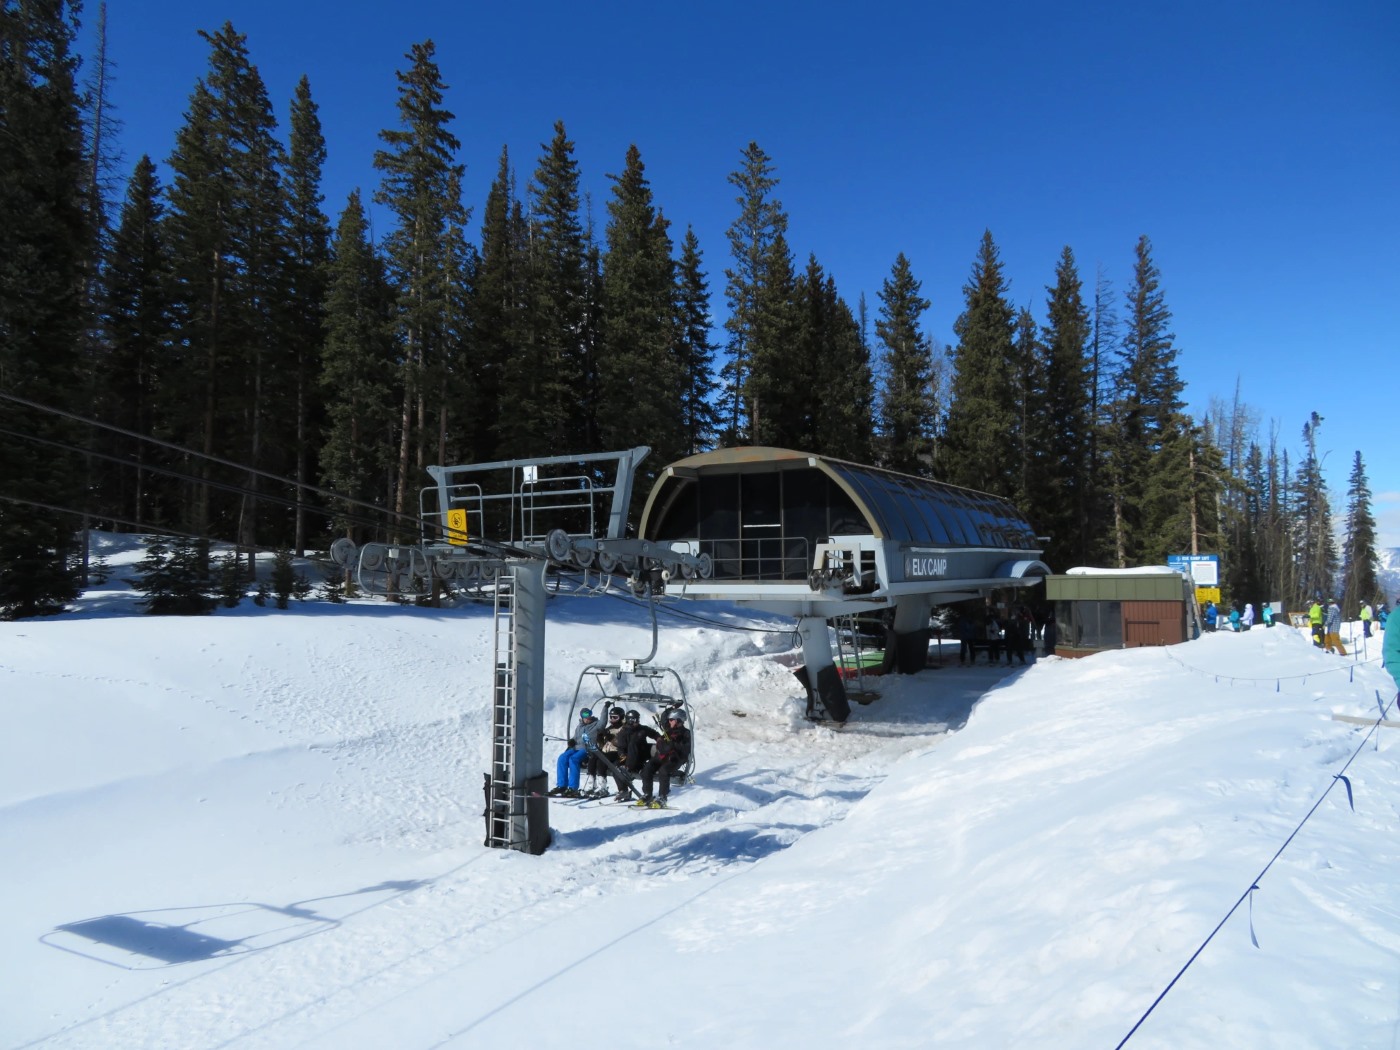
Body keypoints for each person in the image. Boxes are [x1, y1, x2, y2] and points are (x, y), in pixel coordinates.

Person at [634, 709, 692, 809]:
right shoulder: (668, 729)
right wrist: (672, 707)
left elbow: (686, 749)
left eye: (672, 720)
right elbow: (664, 717)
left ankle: (662, 797)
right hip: (662, 755)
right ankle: (648, 795)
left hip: (676, 758)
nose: (669, 722)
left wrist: (675, 744)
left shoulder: (686, 733)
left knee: (664, 771)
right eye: (669, 720)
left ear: (678, 720)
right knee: (647, 769)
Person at [549, 707, 602, 797]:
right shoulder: (579, 726)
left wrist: (605, 708)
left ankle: (573, 788)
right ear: (582, 717)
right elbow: (575, 737)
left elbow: (603, 722)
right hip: (576, 748)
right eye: (585, 716)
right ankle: (562, 786)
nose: (587, 718)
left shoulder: (596, 724)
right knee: (562, 758)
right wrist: (572, 741)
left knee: (573, 759)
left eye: (589, 715)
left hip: (587, 749)